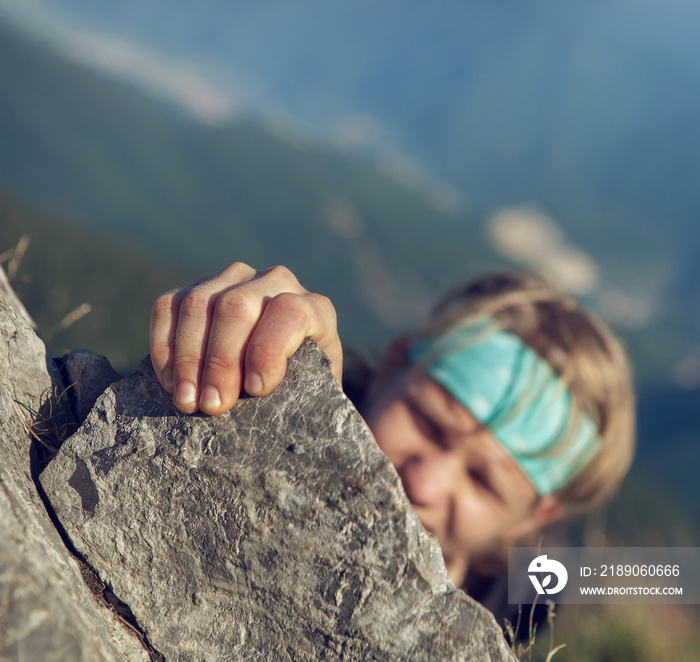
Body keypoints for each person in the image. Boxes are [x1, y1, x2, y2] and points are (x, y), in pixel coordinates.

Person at [149, 262, 635, 623]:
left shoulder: (530, 603)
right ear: (390, 367)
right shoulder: (281, 407)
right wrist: (285, 395)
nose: (424, 483)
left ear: (534, 519)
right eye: (427, 422)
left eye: (483, 481)